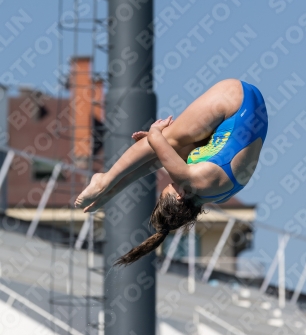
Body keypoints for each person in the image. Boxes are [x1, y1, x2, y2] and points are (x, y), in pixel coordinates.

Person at [75, 78, 268, 266]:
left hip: (255, 109)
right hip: (235, 99)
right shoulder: (190, 179)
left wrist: (155, 144)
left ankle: (108, 190)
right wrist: (156, 135)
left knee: (169, 151)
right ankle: (104, 182)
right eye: (172, 184)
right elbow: (156, 137)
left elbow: (208, 148)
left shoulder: (218, 195)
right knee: (170, 141)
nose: (172, 180)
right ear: (179, 195)